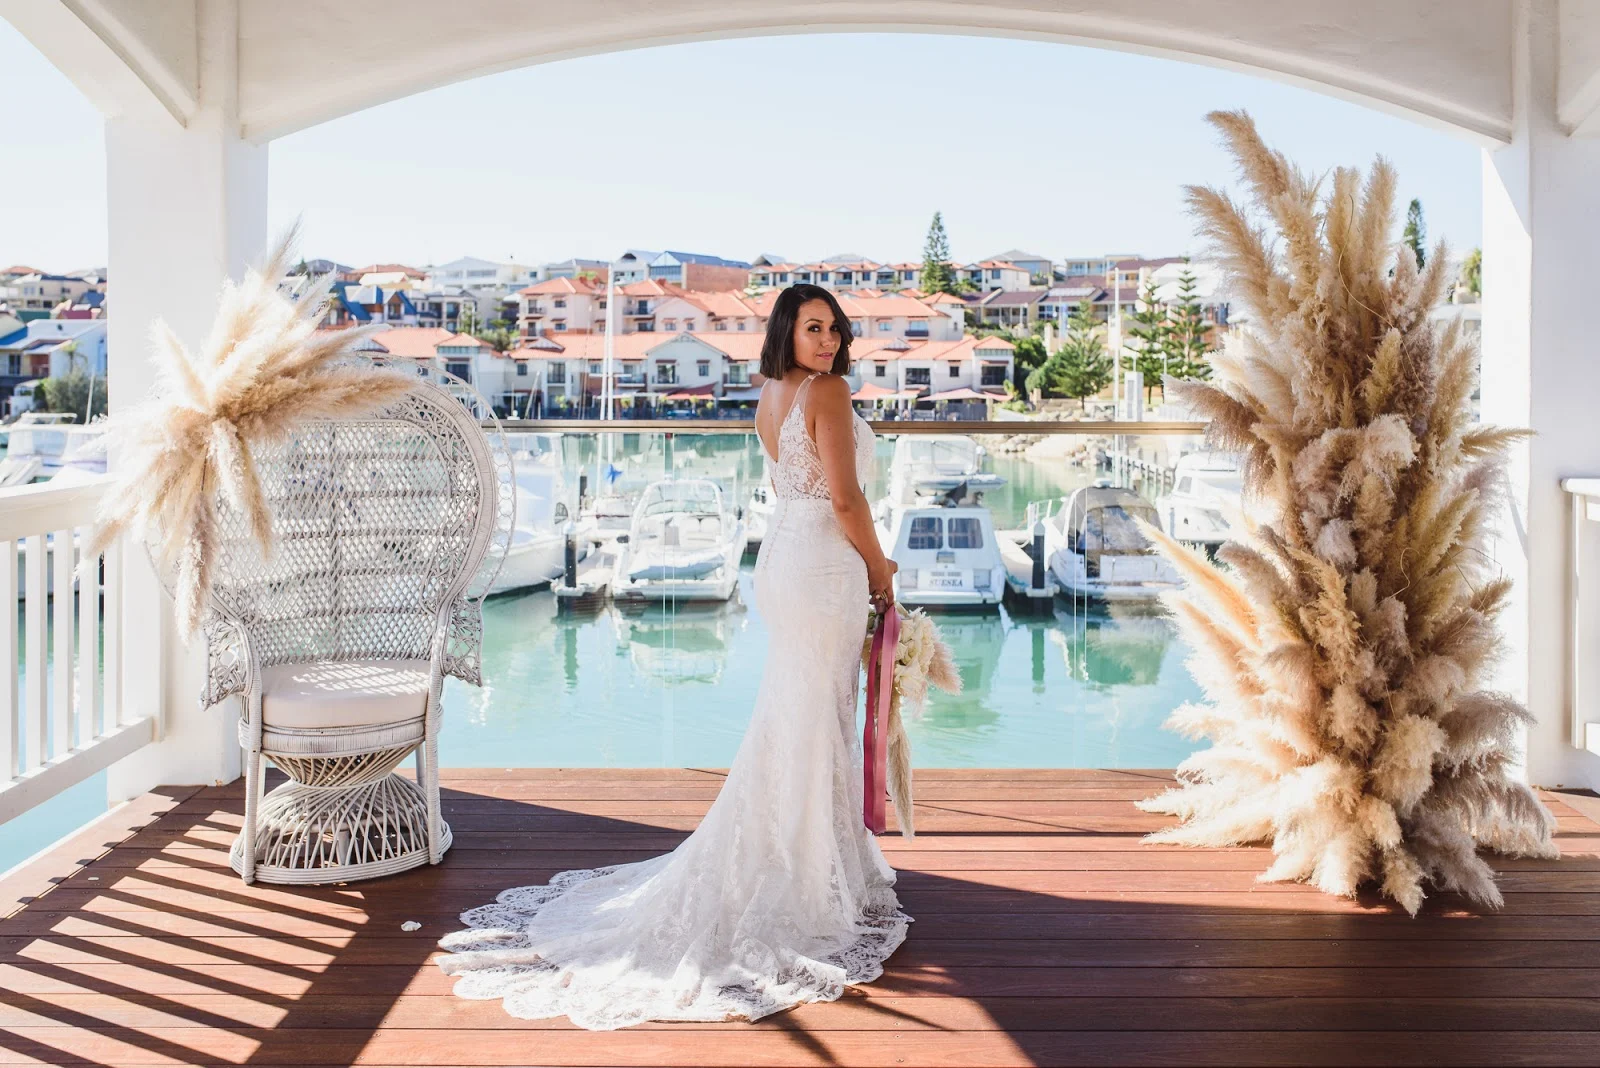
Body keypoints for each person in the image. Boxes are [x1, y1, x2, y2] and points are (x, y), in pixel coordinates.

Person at [435, 283, 908, 1030]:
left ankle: (816, 856)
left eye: (834, 329)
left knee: (796, 713)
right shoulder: (829, 392)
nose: (827, 339)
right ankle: (813, 876)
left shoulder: (771, 393)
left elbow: (797, 487)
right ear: (787, 332)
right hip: (823, 564)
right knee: (819, 714)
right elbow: (846, 502)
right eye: (813, 327)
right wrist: (883, 573)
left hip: (784, 559)